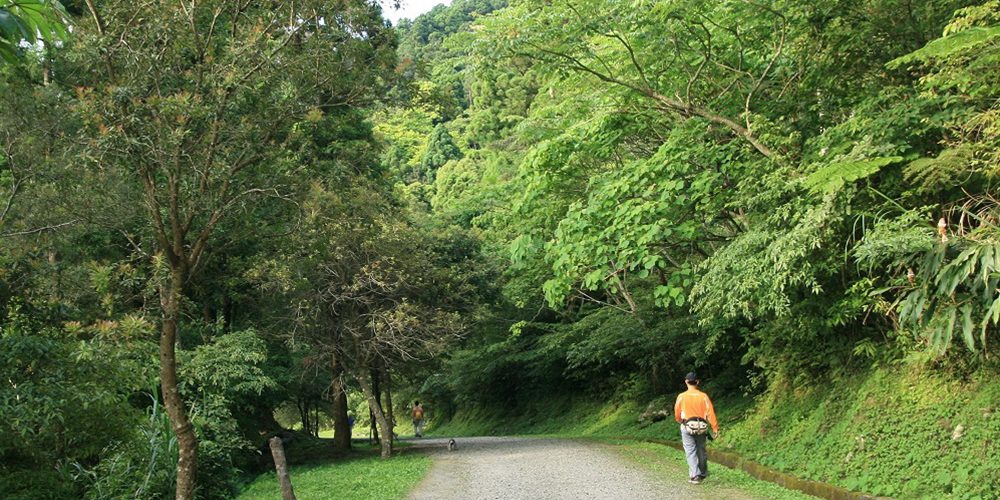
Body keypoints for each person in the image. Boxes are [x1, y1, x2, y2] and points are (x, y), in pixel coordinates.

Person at [674, 372, 719, 485]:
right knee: (701, 450)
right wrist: (715, 428)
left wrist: (680, 420)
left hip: (687, 426)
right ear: (697, 382)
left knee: (690, 451)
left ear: (686, 381)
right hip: (701, 427)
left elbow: (677, 412)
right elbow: (710, 412)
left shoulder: (681, 396)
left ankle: (695, 475)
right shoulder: (703, 396)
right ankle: (703, 473)